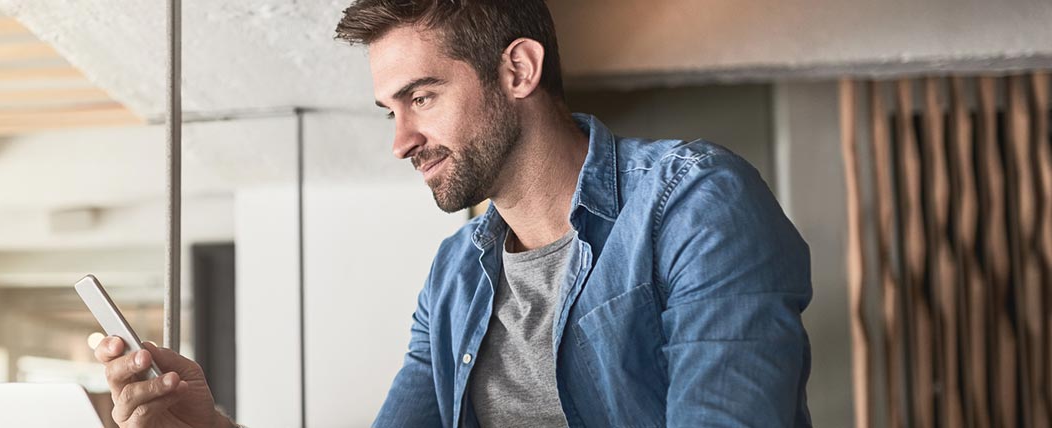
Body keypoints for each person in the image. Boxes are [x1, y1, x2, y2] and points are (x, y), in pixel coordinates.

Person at [96, 0, 814, 426]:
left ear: (518, 70)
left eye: (423, 97)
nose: (401, 140)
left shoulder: (692, 202)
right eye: (391, 110)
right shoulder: (455, 278)